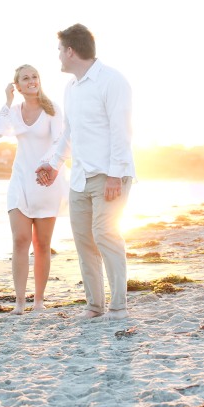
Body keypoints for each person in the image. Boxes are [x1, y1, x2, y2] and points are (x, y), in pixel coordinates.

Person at [36, 23, 136, 320]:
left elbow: (122, 130)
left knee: (106, 234)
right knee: (84, 241)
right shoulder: (71, 88)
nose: (57, 58)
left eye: (59, 51)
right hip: (79, 178)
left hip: (109, 175)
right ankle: (95, 305)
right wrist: (53, 165)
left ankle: (118, 307)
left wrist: (116, 174)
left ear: (70, 51)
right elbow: (69, 134)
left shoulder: (112, 81)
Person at [0, 64, 68, 315]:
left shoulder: (52, 109)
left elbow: (60, 141)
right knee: (20, 240)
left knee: (42, 244)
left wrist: (47, 164)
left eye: (35, 76)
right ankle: (20, 303)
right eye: (26, 78)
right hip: (20, 181)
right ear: (18, 85)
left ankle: (39, 302)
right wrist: (7, 100)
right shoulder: (12, 111)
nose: (32, 81)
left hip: (46, 182)